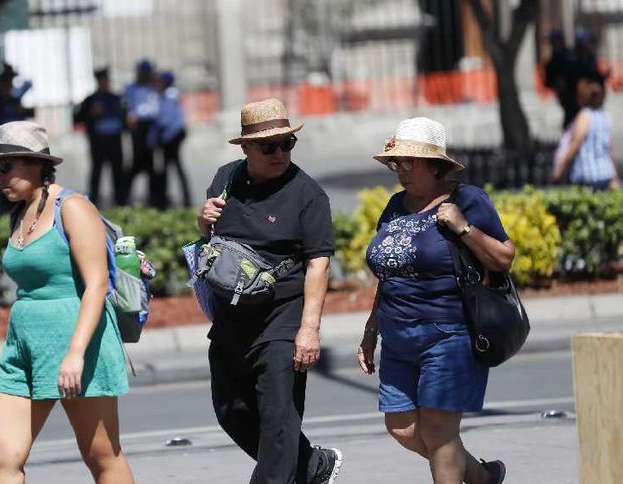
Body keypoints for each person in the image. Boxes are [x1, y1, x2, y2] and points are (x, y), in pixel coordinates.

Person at [357, 117, 514, 484]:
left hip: (448, 335)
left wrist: (464, 227)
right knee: (402, 427)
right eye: (396, 163)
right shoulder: (395, 205)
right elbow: (388, 275)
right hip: (397, 338)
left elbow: (504, 258)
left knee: (439, 433)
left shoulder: (467, 200)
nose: (401, 170)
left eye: (409, 162)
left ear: (434, 165)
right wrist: (370, 331)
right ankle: (481, 477)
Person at [197, 98, 343, 484]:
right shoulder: (226, 178)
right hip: (232, 317)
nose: (280, 153)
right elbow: (213, 243)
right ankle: (312, 465)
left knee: (279, 419)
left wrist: (309, 329)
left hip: (282, 317)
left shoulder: (307, 194)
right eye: (268, 146)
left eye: (286, 144)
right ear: (245, 147)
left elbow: (319, 263)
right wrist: (203, 221)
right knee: (231, 410)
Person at [0, 121, 133, 484]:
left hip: (78, 343)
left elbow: (97, 284)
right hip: (23, 346)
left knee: (101, 455)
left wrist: (75, 353)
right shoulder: (20, 211)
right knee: (2, 456)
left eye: (6, 166)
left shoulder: (73, 207)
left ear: (37, 164)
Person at [551, 71, 620, 190]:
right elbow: (609, 149)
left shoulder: (584, 116)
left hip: (588, 174)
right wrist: (615, 174)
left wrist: (560, 167)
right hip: (605, 172)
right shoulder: (605, 116)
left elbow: (575, 144)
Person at [73, 68, 126, 207]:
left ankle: (121, 202)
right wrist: (91, 114)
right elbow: (78, 118)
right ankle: (93, 201)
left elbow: (125, 118)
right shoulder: (90, 100)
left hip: (115, 141)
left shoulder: (116, 98)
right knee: (97, 172)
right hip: (98, 142)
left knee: (118, 172)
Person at [148, 70, 191, 209]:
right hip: (167, 137)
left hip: (172, 137)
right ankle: (167, 199)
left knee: (172, 168)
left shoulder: (170, 96)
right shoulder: (163, 96)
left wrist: (165, 136)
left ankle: (178, 200)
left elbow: (168, 120)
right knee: (168, 169)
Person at [122, 59, 161, 207]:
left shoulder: (154, 87)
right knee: (136, 162)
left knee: (152, 164)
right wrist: (128, 115)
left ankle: (154, 198)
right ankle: (126, 197)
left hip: (152, 125)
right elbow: (125, 105)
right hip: (138, 126)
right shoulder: (131, 88)